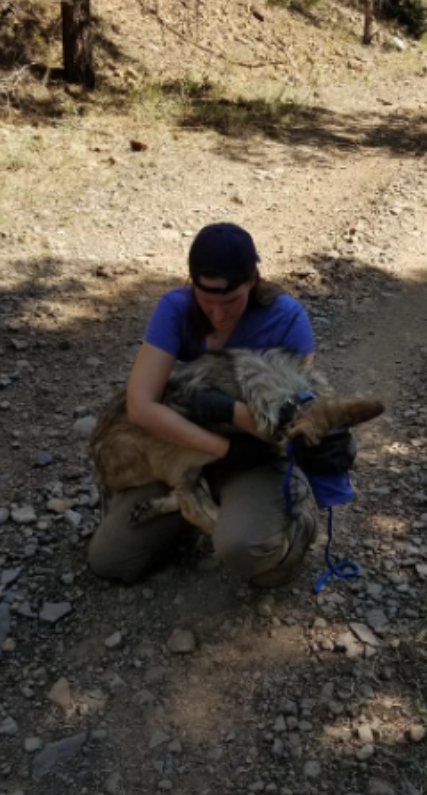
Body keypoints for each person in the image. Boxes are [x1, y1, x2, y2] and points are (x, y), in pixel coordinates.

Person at [88, 222, 354, 586]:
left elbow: (289, 415)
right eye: (206, 299)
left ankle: (297, 526)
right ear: (191, 283)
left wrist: (234, 417)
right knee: (110, 561)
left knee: (251, 557)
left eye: (230, 301)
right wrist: (219, 449)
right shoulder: (175, 308)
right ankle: (194, 511)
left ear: (253, 279)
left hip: (254, 453)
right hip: (186, 447)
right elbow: (140, 406)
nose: (218, 313)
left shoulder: (285, 318)